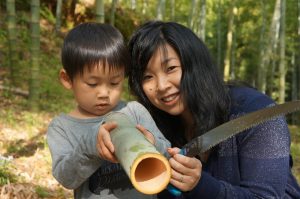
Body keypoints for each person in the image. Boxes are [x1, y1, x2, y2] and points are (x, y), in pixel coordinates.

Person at [99, 20, 300, 198]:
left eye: (171, 69)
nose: (161, 85)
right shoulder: (156, 124)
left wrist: (200, 185)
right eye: (147, 77)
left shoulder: (255, 112)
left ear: (196, 65)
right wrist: (109, 135)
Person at [46, 22, 171, 199]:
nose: (104, 93)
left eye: (114, 83)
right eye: (92, 84)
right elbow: (66, 178)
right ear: (67, 79)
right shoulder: (62, 127)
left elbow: (168, 152)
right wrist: (91, 145)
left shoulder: (134, 111)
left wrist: (154, 144)